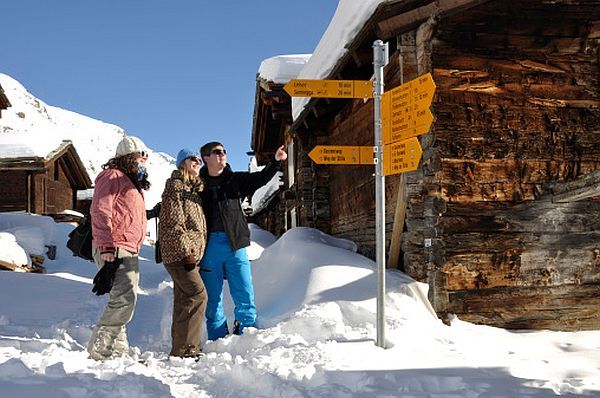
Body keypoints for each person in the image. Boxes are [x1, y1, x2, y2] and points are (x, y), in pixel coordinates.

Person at [199, 141, 287, 340]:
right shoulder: (198, 186)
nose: (222, 155)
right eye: (217, 152)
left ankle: (247, 333)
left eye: (224, 151)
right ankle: (217, 338)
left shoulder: (235, 180)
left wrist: (275, 161)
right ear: (206, 158)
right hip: (209, 247)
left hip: (235, 245)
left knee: (244, 293)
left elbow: (261, 178)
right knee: (213, 299)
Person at [87, 135, 151, 361]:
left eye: (146, 157)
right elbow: (101, 210)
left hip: (126, 248)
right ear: (127, 157)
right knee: (124, 300)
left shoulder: (130, 181)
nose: (144, 161)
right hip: (114, 247)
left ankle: (118, 351)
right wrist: (106, 246)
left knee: (122, 299)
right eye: (140, 156)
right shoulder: (112, 176)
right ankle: (100, 350)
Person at [158, 148, 208, 359]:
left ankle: (180, 349)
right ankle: (187, 350)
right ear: (182, 163)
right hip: (180, 254)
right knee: (198, 295)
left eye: (198, 160)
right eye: (192, 159)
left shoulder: (192, 189)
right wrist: (187, 252)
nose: (197, 162)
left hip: (188, 254)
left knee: (183, 299)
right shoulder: (175, 186)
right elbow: (175, 222)